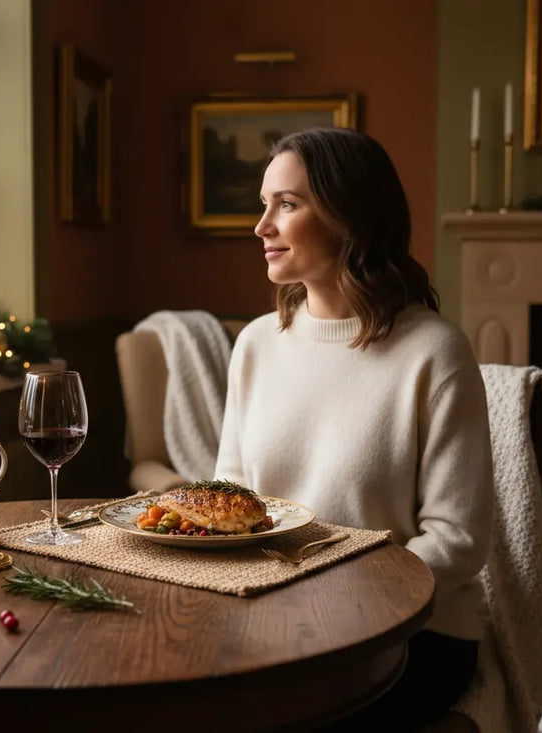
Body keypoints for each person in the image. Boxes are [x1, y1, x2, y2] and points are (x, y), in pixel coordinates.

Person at [214, 127, 493, 731]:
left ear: (350, 218)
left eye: (286, 205)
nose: (261, 226)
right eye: (264, 204)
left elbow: (457, 540)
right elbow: (230, 500)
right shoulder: (257, 345)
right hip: (276, 618)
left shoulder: (434, 352)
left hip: (410, 633)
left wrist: (341, 605)